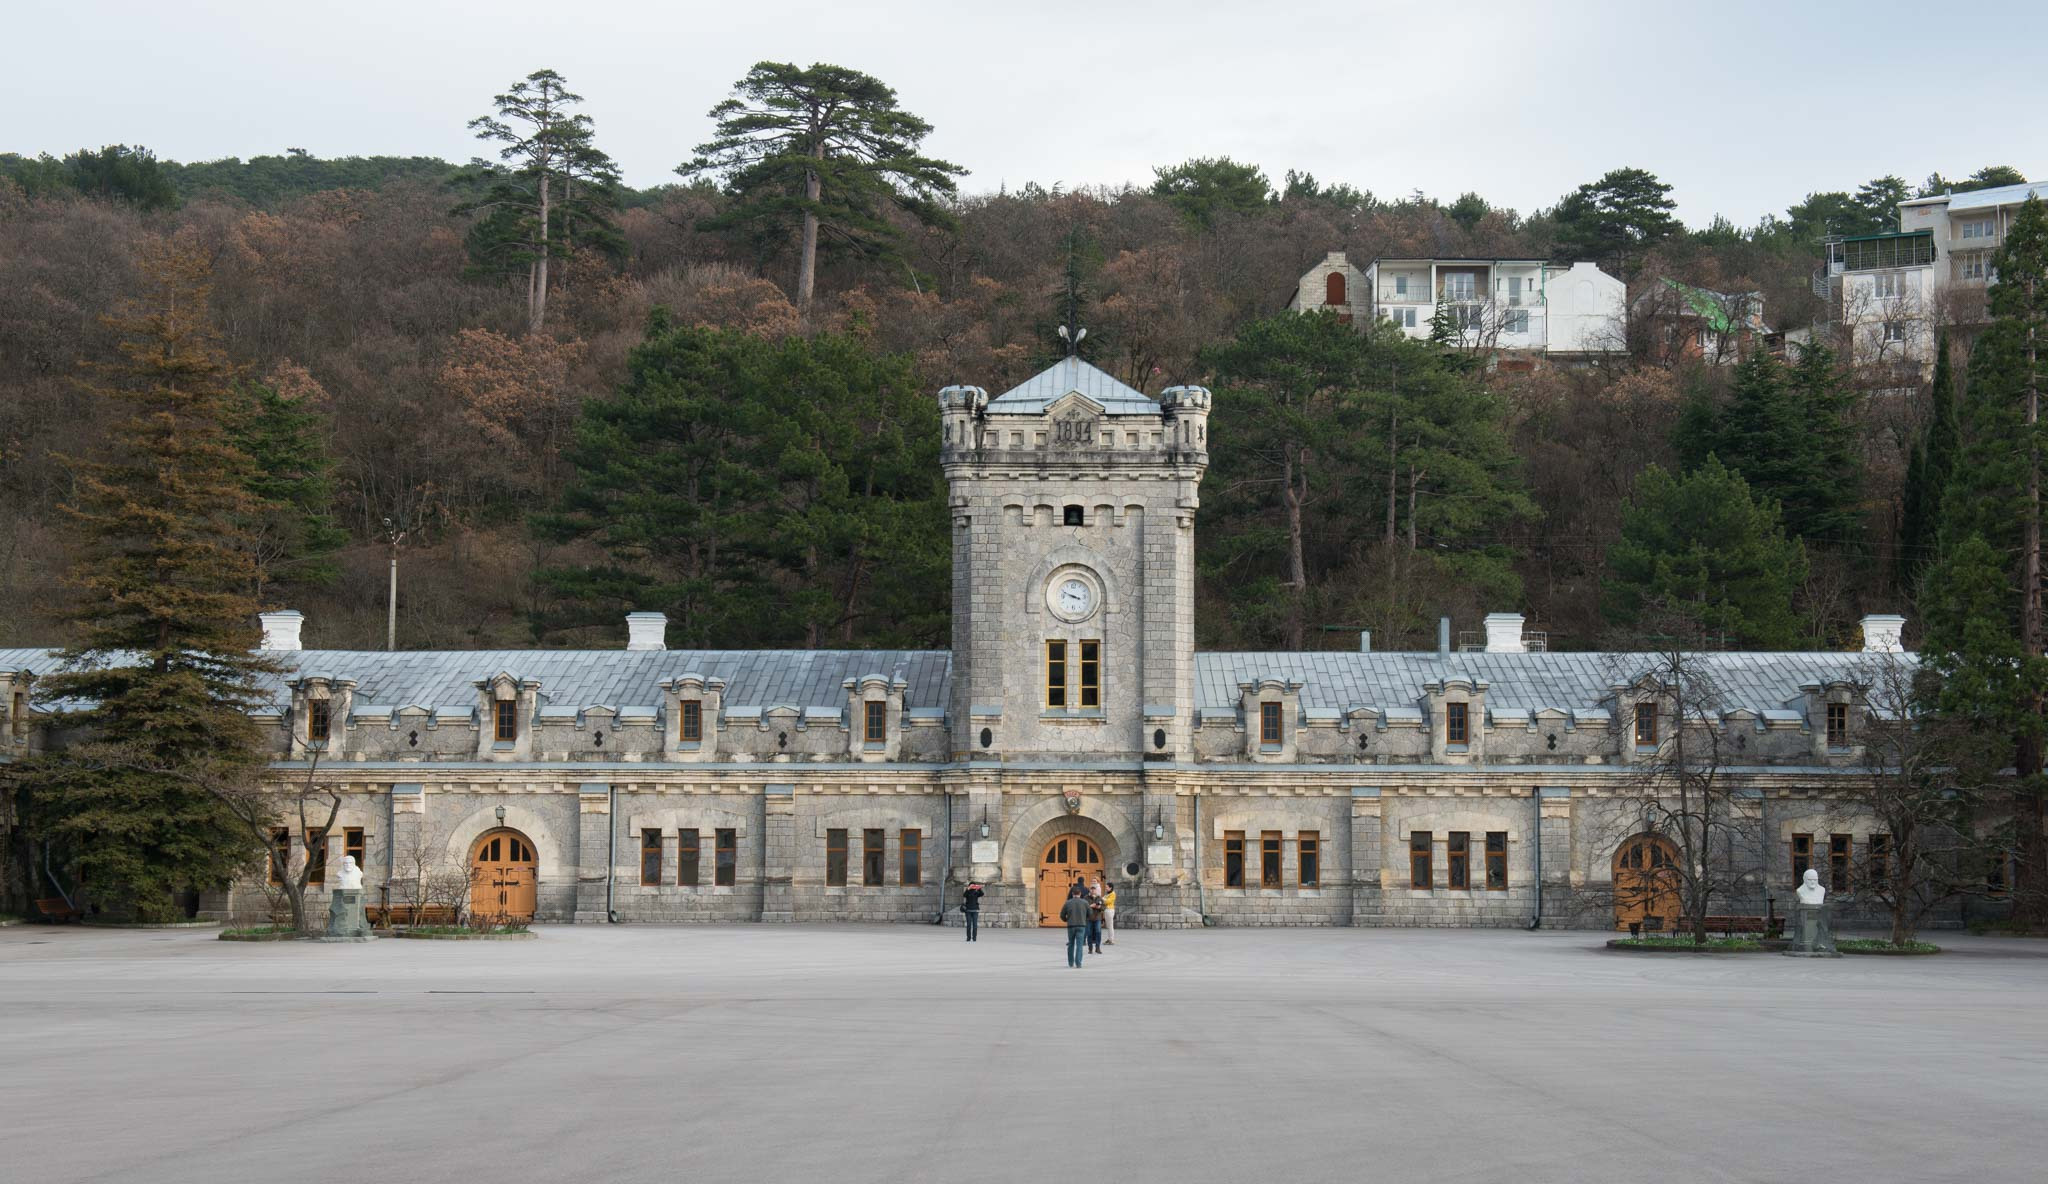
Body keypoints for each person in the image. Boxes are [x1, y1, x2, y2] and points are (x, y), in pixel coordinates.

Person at [1060, 887, 1090, 968]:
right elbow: (1090, 914)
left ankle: (1071, 963)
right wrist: (1084, 919)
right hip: (1081, 925)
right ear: (1080, 894)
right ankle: (1078, 963)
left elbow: (1062, 915)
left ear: (1072, 894)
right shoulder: (1085, 902)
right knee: (1079, 945)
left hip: (1071, 926)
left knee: (1071, 944)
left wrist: (1067, 920)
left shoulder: (1068, 903)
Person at [1085, 890, 1105, 954]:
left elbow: (1104, 907)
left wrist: (1099, 907)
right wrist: (1090, 906)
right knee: (1089, 933)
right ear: (1090, 890)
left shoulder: (1099, 898)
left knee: (1098, 932)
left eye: (1094, 889)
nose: (1093, 891)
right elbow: (1083, 907)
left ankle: (1097, 947)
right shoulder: (1086, 898)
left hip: (1097, 918)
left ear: (1096, 891)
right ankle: (1090, 948)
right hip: (1089, 918)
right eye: (1092, 889)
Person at [1102, 881, 1116, 945]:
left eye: (1107, 887)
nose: (1106, 888)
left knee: (1110, 926)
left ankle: (1111, 940)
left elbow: (1108, 901)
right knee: (1108, 926)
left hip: (1110, 910)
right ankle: (1109, 938)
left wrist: (1103, 899)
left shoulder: (1113, 894)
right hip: (1107, 910)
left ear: (1110, 888)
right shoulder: (1107, 894)